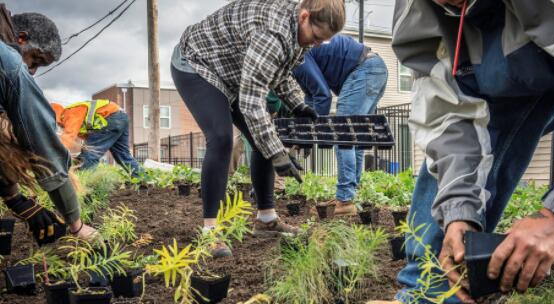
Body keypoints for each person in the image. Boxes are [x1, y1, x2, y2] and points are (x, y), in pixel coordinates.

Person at [360, 0, 554, 304]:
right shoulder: (416, 12)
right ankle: (429, 294)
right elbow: (449, 120)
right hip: (503, 76)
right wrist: (459, 211)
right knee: (451, 162)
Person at [171, 0, 346, 257]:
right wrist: (278, 154)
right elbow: (252, 102)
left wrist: (299, 105)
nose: (317, 44)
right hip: (197, 63)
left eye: (324, 41)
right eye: (317, 37)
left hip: (232, 71)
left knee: (263, 135)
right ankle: (210, 232)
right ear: (305, 16)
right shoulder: (272, 34)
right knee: (220, 139)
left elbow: (280, 72)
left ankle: (266, 219)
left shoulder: (297, 31)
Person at [0, 10, 96, 244]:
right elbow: (44, 145)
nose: (32, 71)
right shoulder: (10, 64)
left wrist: (17, 202)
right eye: (35, 60)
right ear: (21, 39)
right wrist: (76, 225)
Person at [293, 34, 388, 216]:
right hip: (375, 68)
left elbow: (323, 96)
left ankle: (345, 199)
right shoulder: (301, 52)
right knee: (356, 136)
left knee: (342, 133)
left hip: (363, 69)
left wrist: (310, 135)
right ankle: (349, 196)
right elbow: (311, 97)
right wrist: (305, 131)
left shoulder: (296, 56)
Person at [51, 101, 140, 175]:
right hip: (120, 116)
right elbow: (88, 136)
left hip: (111, 116)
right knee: (123, 154)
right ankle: (142, 179)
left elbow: (68, 136)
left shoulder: (70, 113)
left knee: (90, 154)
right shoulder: (70, 116)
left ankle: (84, 185)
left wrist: (54, 155)